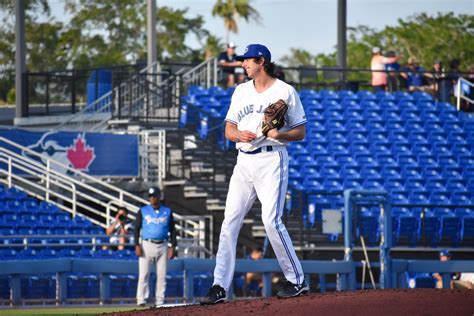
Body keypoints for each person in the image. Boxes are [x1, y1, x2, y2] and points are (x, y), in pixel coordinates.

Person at [200, 43, 309, 305]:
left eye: (248, 60)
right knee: (229, 222)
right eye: (243, 60)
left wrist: (279, 134)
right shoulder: (240, 91)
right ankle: (219, 286)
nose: (243, 64)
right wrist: (239, 134)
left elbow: (301, 132)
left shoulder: (285, 91)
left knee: (271, 220)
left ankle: (296, 280)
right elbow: (229, 130)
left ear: (262, 61)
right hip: (243, 160)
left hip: (272, 158)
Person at [134, 187, 177, 307]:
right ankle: (141, 299)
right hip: (146, 244)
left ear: (159, 196)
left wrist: (173, 246)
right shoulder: (143, 210)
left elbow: (173, 230)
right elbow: (136, 229)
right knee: (144, 274)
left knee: (162, 275)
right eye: (150, 196)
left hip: (162, 244)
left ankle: (160, 301)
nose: (153, 198)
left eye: (155, 195)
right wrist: (136, 244)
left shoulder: (167, 211)